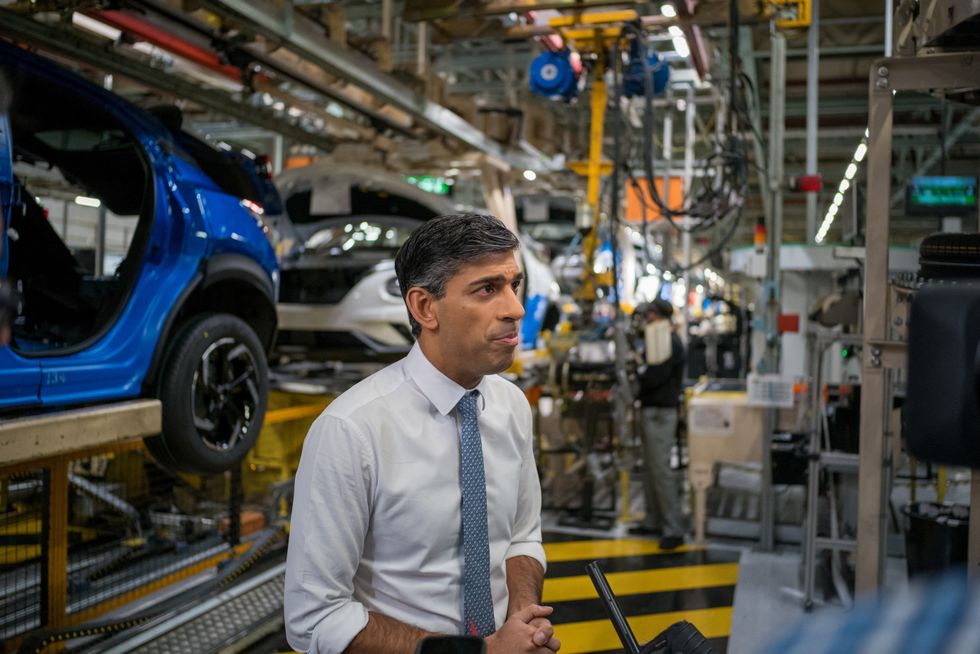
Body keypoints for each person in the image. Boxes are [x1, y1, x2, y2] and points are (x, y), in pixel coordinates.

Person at [284, 213, 560, 654]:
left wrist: (523, 617)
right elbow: (315, 617)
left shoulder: (510, 407)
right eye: (488, 289)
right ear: (424, 307)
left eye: (514, 285)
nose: (516, 309)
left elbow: (522, 537)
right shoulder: (351, 430)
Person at [631, 299, 686, 550]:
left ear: (659, 315)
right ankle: (653, 520)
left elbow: (655, 375)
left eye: (651, 313)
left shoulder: (668, 341)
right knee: (651, 470)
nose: (648, 317)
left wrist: (639, 374)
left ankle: (673, 529)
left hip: (661, 413)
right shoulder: (659, 337)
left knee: (661, 471)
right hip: (652, 410)